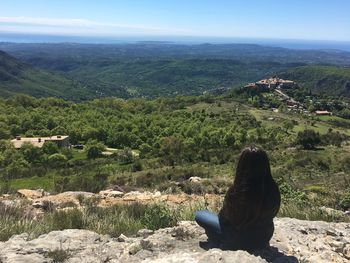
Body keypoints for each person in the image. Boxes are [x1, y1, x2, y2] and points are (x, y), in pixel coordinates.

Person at [195, 146, 281, 251]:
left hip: (238, 240)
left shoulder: (237, 191)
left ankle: (222, 240)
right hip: (263, 238)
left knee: (200, 215)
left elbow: (223, 218)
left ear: (241, 165)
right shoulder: (272, 189)